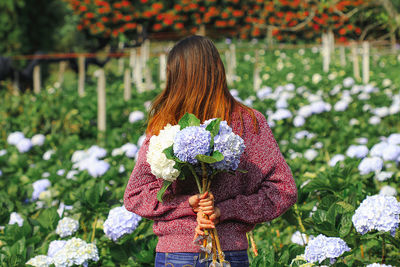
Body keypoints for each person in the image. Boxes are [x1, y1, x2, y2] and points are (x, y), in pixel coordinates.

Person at [124, 35, 297, 267]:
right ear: (218, 70)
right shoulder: (249, 122)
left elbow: (136, 195)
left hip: (175, 255)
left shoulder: (164, 124)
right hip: (230, 254)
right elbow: (282, 190)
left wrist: (192, 205)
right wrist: (225, 210)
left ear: (174, 75)